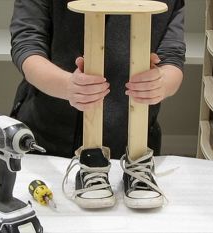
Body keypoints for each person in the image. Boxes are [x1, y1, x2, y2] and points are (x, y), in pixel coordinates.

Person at [10, 0, 186, 209]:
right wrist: (67, 86)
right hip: (46, 135)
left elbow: (172, 57)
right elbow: (27, 45)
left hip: (128, 146)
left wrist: (160, 84)